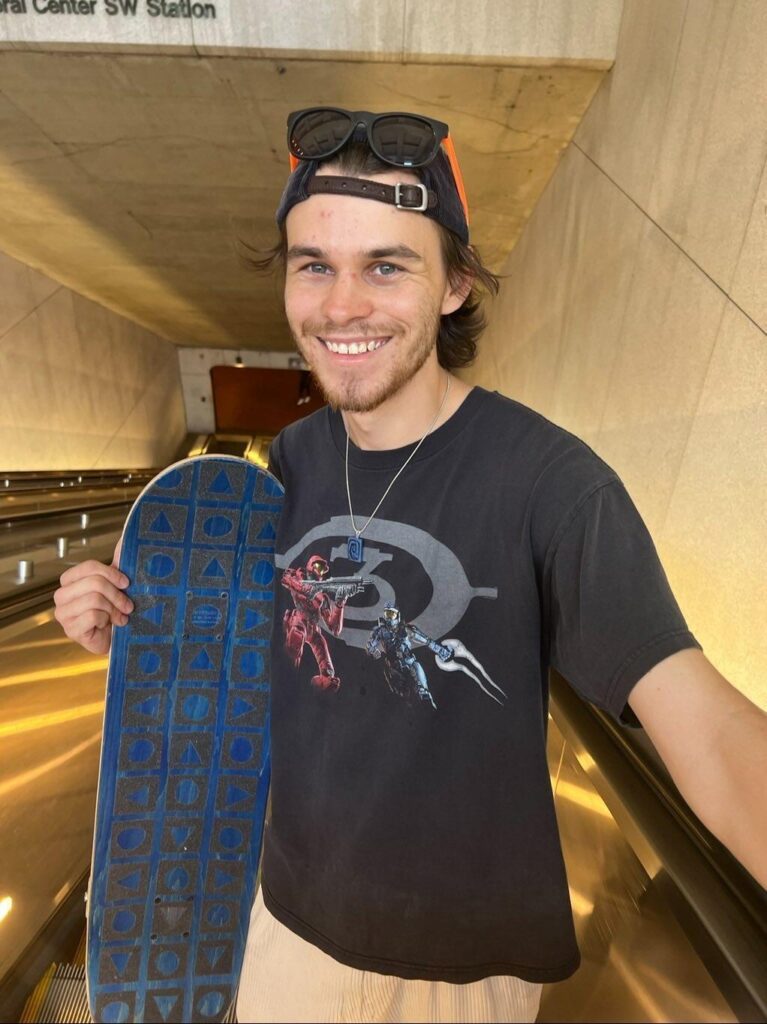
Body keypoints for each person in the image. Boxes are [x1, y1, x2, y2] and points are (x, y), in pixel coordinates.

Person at [55, 108, 767, 1024]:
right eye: (315, 265)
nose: (342, 305)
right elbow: (262, 660)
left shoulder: (550, 483)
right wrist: (116, 622)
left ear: (454, 285)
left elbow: (705, 731)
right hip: (285, 927)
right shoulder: (294, 460)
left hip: (457, 977)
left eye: (386, 266)